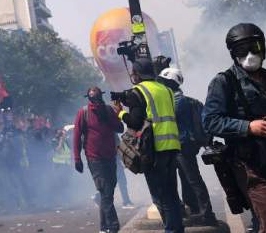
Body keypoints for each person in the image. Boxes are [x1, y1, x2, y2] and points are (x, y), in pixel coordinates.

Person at [202, 23, 266, 233]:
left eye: (255, 47)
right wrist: (249, 127)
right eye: (243, 50)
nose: (250, 54)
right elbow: (210, 121)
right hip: (251, 166)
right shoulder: (224, 82)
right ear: (234, 54)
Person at [111, 57, 184, 233]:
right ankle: (177, 229)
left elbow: (135, 122)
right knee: (172, 194)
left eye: (133, 73)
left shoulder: (138, 91)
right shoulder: (166, 89)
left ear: (137, 74)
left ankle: (172, 230)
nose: (131, 76)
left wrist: (120, 113)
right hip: (172, 145)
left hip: (153, 149)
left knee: (160, 196)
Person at [158, 67, 217, 225]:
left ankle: (207, 213)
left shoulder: (178, 100)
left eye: (163, 82)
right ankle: (196, 210)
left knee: (193, 180)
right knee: (186, 179)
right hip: (180, 145)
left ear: (170, 83)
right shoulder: (175, 98)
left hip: (182, 146)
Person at [73, 87, 124, 233]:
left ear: (101, 97)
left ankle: (104, 226)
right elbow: (76, 136)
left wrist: (115, 114)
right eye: (92, 98)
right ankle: (113, 225)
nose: (95, 101)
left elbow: (120, 128)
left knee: (108, 191)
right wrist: (77, 158)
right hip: (94, 158)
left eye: (97, 98)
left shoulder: (108, 110)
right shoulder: (84, 113)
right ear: (89, 99)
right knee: (105, 190)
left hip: (110, 156)